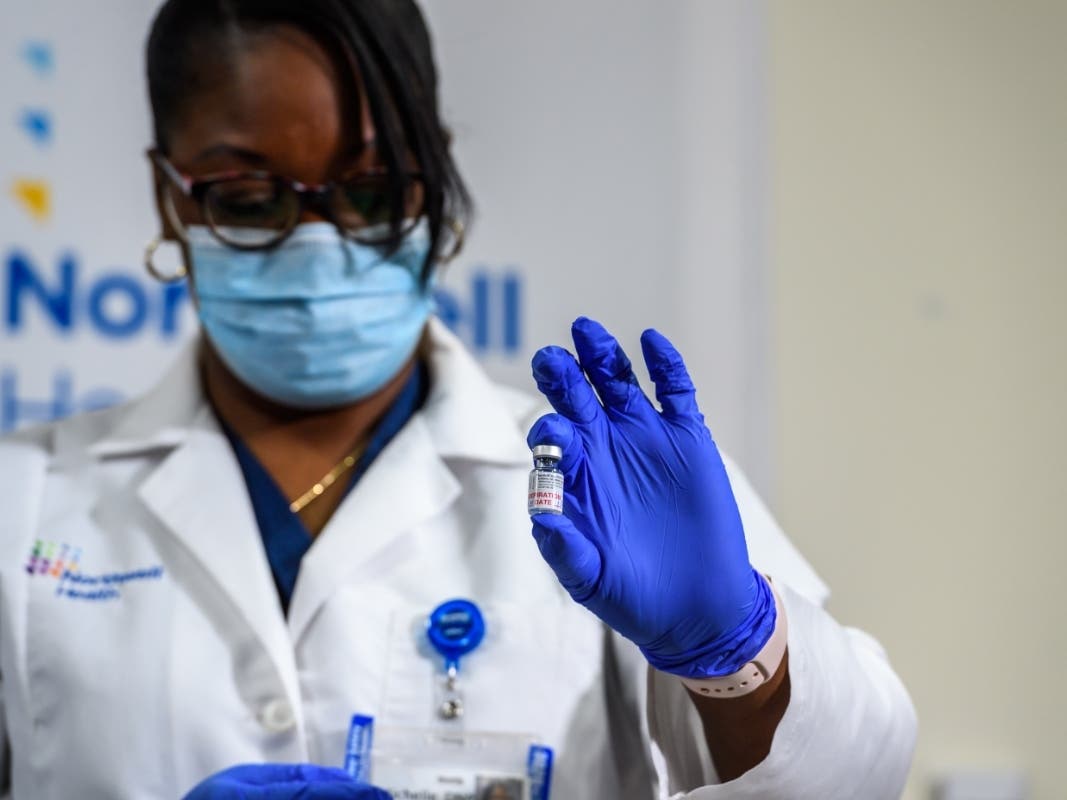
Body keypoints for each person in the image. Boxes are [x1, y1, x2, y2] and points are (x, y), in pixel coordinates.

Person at [0, 1, 917, 798]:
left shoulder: (586, 469)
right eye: (246, 198)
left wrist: (734, 655)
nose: (318, 240)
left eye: (370, 190)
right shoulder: (24, 500)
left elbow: (855, 779)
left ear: (432, 180)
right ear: (171, 203)